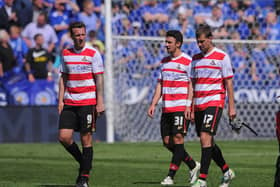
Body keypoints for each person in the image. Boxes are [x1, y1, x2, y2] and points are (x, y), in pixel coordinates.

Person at [147, 30, 200, 186]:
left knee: (178, 139)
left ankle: (170, 176)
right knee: (167, 142)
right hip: (167, 107)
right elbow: (160, 84)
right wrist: (153, 103)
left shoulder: (187, 61)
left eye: (169, 42)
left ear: (178, 43)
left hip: (181, 107)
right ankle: (192, 165)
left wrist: (189, 105)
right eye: (166, 42)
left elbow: (192, 85)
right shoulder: (164, 62)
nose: (166, 45)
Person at [58, 21, 105, 187]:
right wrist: (60, 101)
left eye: (82, 34)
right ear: (72, 36)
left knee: (86, 138)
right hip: (70, 101)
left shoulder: (93, 53)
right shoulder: (65, 53)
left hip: (88, 102)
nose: (80, 38)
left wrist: (100, 101)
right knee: (64, 137)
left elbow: (99, 78)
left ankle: (83, 178)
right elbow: (63, 78)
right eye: (77, 35)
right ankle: (84, 163)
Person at [190, 24, 236, 187]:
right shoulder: (195, 59)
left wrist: (231, 106)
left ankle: (202, 179)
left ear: (210, 38)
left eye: (202, 41)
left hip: (215, 102)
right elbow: (192, 84)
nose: (200, 44)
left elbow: (228, 83)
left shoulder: (222, 57)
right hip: (199, 105)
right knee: (208, 141)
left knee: (205, 137)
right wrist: (191, 106)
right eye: (198, 42)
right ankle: (226, 172)